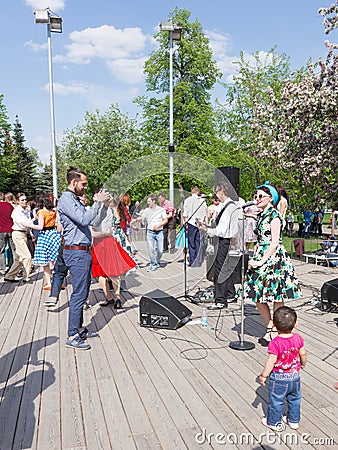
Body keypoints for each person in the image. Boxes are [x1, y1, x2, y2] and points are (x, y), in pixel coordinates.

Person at [243, 181, 302, 346]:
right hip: (261, 253)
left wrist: (262, 260)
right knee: (256, 293)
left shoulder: (274, 216)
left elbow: (274, 242)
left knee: (276, 295)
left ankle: (275, 330)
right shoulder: (262, 215)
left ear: (270, 198)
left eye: (260, 196)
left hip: (274, 257)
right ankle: (270, 325)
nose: (257, 198)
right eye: (255, 196)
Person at [57, 167, 110, 350]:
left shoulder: (74, 200)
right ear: (74, 182)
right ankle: (72, 335)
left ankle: (79, 329)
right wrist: (96, 203)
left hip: (83, 251)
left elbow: (93, 222)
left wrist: (103, 206)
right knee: (79, 294)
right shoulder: (66, 200)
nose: (85, 187)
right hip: (76, 252)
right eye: (83, 184)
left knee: (83, 291)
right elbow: (84, 219)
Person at [259, 306, 307, 431]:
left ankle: (274, 422)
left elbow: (271, 361)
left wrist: (264, 375)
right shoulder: (298, 338)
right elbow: (303, 353)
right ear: (295, 324)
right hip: (294, 376)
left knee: (277, 400)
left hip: (279, 378)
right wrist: (303, 363)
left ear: (274, 325)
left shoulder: (275, 342)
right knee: (295, 399)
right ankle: (293, 420)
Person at [198, 181, 240, 309]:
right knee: (224, 268)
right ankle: (230, 293)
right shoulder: (225, 206)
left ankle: (221, 300)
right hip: (223, 240)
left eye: (217, 191)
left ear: (222, 192)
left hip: (223, 241)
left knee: (220, 269)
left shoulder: (229, 207)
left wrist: (207, 230)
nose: (216, 194)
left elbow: (222, 230)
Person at [4, 193, 41, 283]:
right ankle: (26, 277)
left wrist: (32, 225)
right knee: (27, 256)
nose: (24, 201)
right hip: (17, 234)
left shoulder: (25, 211)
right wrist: (37, 227)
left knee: (20, 257)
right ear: (17, 201)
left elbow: (27, 223)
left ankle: (10, 276)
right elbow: (23, 223)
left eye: (25, 200)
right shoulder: (16, 211)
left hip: (23, 233)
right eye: (22, 200)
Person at [33, 194, 62, 290]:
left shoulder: (41, 212)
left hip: (44, 235)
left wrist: (28, 224)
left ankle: (49, 283)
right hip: (53, 234)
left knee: (45, 261)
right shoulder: (54, 211)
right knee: (55, 259)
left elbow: (40, 226)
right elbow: (58, 226)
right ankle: (59, 282)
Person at [139, 194, 168, 271]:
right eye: (147, 201)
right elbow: (143, 218)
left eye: (149, 201)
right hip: (150, 232)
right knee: (151, 249)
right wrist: (142, 220)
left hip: (159, 231)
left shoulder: (161, 210)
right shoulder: (146, 210)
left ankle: (157, 261)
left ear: (154, 201)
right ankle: (153, 264)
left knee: (160, 250)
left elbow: (165, 220)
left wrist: (159, 225)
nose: (148, 203)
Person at [183, 186, 207, 267]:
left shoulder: (187, 200)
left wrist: (185, 223)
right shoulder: (202, 201)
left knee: (191, 243)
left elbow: (185, 214)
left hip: (191, 223)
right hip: (200, 224)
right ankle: (199, 261)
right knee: (199, 243)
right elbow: (205, 213)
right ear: (198, 192)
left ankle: (192, 261)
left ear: (191, 191)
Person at [0, 192, 15, 275]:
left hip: (1, 230)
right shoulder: (9, 206)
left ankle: (2, 269)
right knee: (14, 250)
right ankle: (15, 267)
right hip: (10, 229)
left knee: (1, 250)